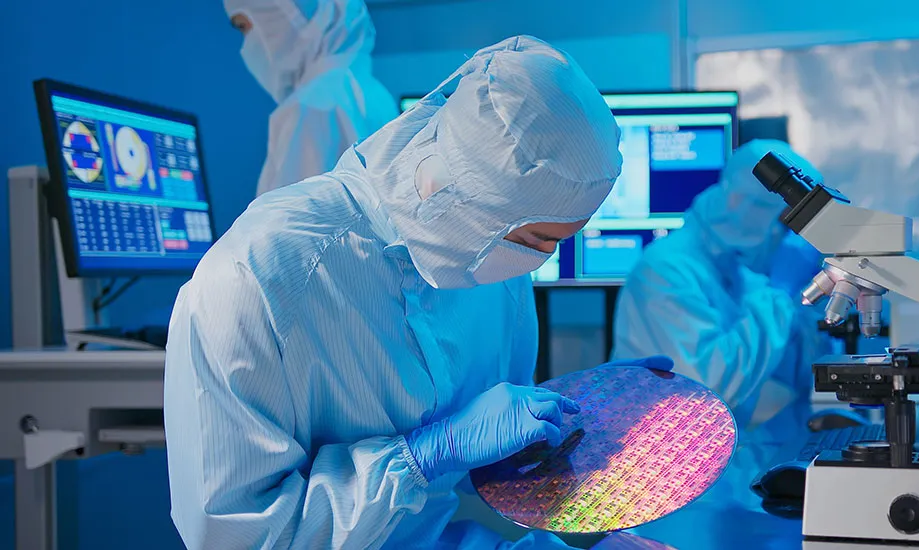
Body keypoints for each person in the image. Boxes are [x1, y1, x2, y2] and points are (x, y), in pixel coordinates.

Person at [164, 36, 669, 549]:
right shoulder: (256, 280)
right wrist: (423, 456)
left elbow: (494, 475)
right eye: (539, 240)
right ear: (459, 197)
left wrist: (588, 412)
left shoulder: (494, 258)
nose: (540, 260)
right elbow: (232, 536)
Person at [610, 139, 828, 441]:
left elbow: (782, 372)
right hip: (676, 468)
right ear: (741, 204)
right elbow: (710, 386)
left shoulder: (739, 269)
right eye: (787, 221)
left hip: (739, 466)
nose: (788, 236)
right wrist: (780, 291)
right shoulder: (665, 271)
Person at [226, 0, 397, 197]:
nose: (245, 44)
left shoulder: (311, 106)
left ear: (288, 19)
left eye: (243, 27)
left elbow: (287, 222)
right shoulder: (372, 93)